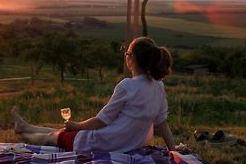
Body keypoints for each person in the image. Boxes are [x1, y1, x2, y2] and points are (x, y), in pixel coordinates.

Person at [12, 37, 177, 153]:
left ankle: (24, 135)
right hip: (130, 143)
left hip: (105, 143)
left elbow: (100, 121)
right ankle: (25, 127)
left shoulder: (128, 86)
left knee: (50, 138)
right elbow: (162, 124)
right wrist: (173, 151)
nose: (125, 56)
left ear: (131, 59)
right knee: (62, 132)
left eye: (126, 53)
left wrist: (76, 125)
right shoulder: (158, 86)